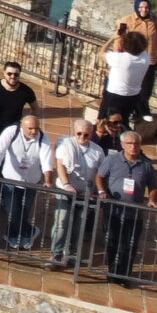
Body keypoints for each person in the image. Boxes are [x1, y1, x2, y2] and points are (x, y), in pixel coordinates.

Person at [96, 130, 157, 286]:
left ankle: (125, 275)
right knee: (112, 241)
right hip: (114, 210)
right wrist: (102, 191)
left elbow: (153, 186)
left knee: (129, 245)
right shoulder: (112, 160)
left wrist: (152, 199)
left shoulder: (146, 165)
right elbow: (100, 176)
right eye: (130, 144)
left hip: (134, 213)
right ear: (123, 145)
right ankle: (113, 272)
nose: (133, 147)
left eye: (136, 144)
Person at [0, 110, 53, 251]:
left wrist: (48, 179)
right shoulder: (12, 132)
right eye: (30, 128)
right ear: (22, 126)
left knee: (24, 210)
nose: (33, 131)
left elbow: (47, 160)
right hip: (11, 178)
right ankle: (20, 233)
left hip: (31, 181)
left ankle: (20, 233)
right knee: (11, 208)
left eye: (36, 128)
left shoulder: (43, 138)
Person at [49, 116, 106, 270]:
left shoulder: (98, 151)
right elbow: (60, 165)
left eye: (86, 134)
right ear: (74, 133)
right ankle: (56, 254)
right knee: (62, 221)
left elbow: (99, 174)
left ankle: (73, 253)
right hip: (65, 189)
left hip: (85, 192)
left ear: (91, 134)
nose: (82, 137)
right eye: (79, 134)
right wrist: (67, 184)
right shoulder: (65, 143)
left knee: (79, 224)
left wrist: (98, 190)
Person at [99, 30, 152, 125]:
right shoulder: (146, 58)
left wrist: (113, 38)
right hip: (133, 96)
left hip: (114, 95)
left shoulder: (119, 58)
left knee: (104, 121)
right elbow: (138, 49)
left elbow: (101, 53)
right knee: (123, 122)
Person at [0, 61, 37, 135]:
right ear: (4, 73)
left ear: (19, 74)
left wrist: (24, 123)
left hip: (12, 129)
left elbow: (35, 108)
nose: (12, 77)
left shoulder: (26, 91)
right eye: (9, 74)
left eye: (16, 74)